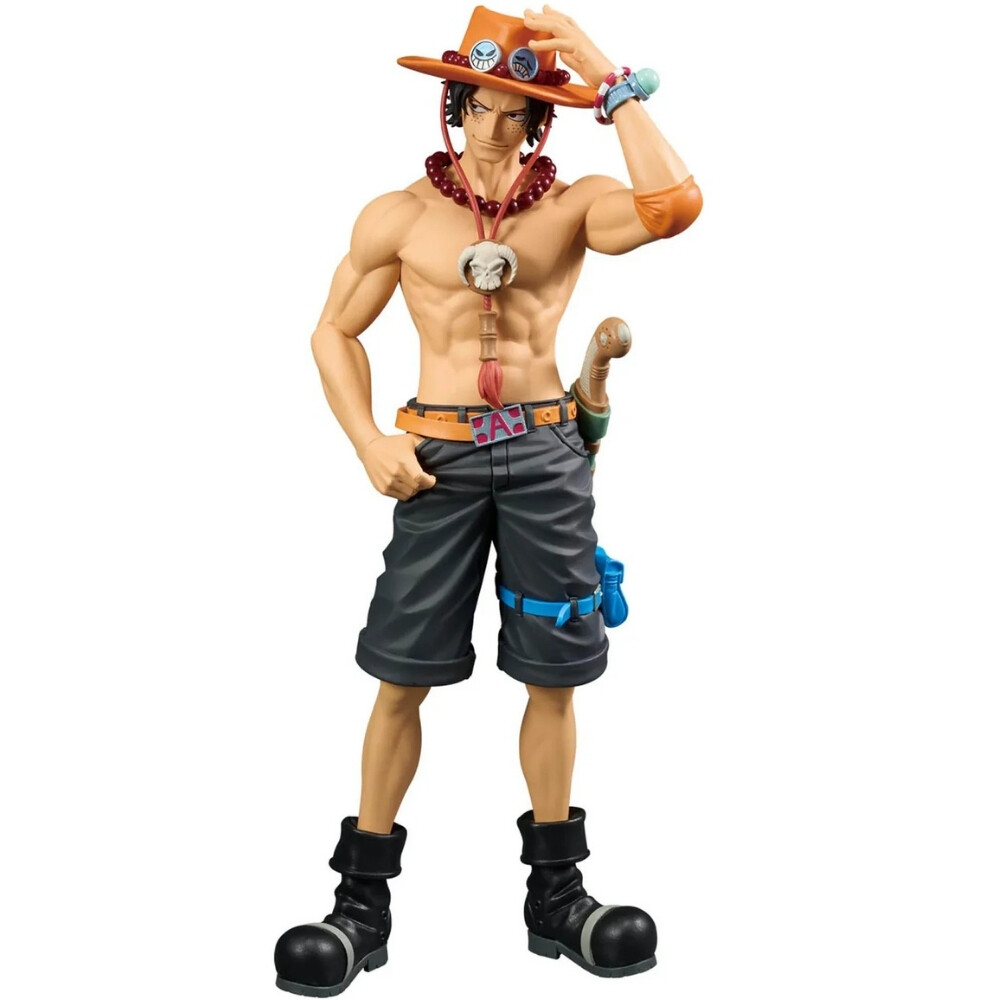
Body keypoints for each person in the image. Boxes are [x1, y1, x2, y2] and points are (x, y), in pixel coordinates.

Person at [274, 5, 702, 995]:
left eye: (517, 111)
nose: (495, 127)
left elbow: (674, 204)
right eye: (478, 105)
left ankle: (558, 893)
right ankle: (361, 900)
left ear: (542, 120)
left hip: (546, 454)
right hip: (437, 458)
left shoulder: (574, 207)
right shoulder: (399, 216)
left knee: (554, 672)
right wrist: (368, 439)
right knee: (400, 672)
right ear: (452, 106)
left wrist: (604, 76)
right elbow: (332, 331)